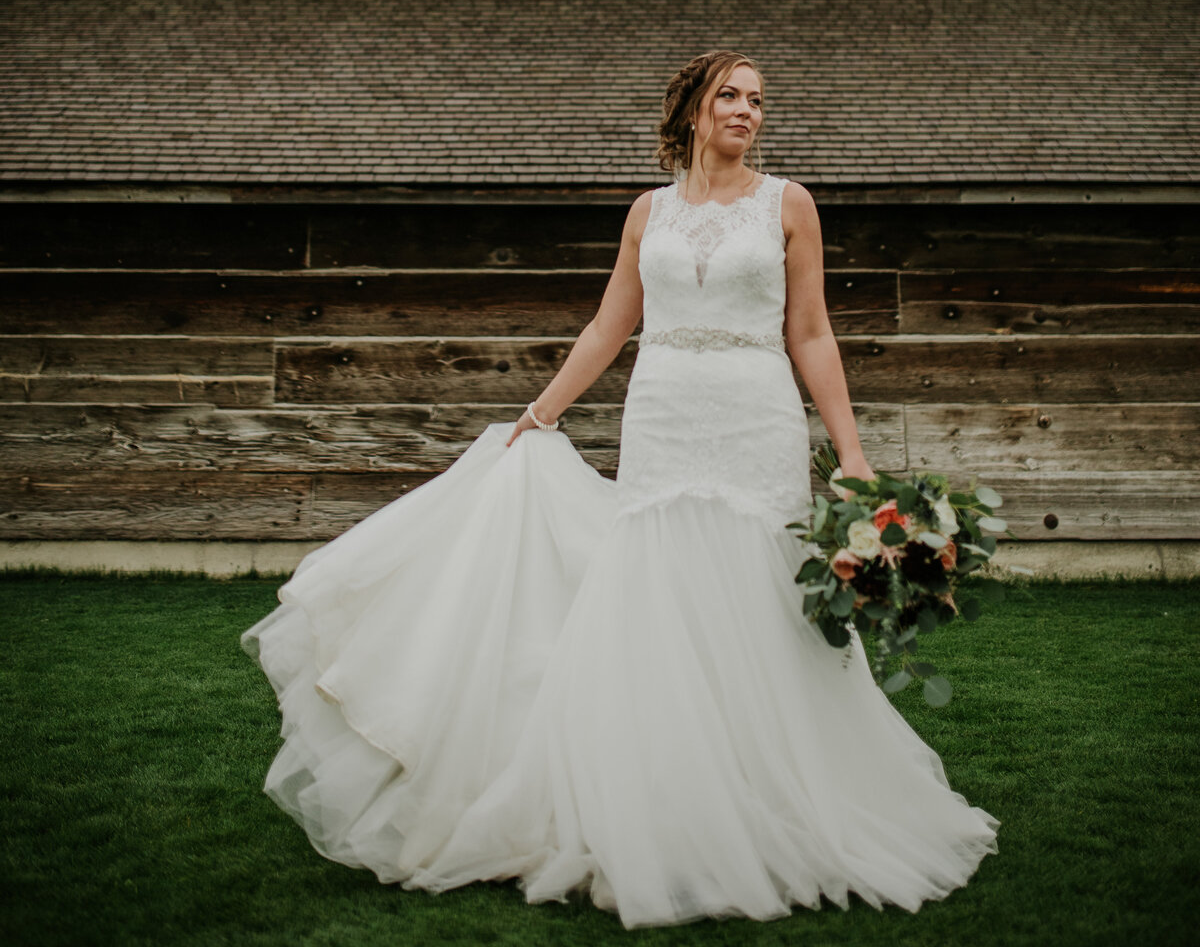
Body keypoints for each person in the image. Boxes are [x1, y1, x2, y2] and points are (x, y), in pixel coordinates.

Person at [241, 49, 999, 928]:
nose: (748, 111)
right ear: (691, 111)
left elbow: (813, 333)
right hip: (665, 419)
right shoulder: (649, 213)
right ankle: (659, 805)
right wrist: (541, 413)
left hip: (755, 416)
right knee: (657, 599)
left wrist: (854, 455)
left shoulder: (789, 204)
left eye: (758, 100)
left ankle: (776, 798)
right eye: (731, 96)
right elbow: (611, 323)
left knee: (766, 600)